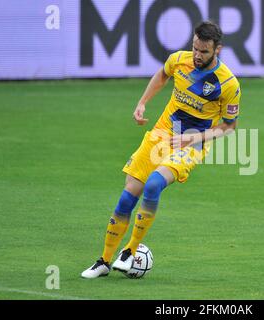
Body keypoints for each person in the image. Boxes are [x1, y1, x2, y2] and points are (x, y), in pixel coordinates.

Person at [81, 21, 241, 278]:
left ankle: (130, 252)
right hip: (162, 133)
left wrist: (194, 139)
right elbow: (163, 74)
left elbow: (229, 126)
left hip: (193, 142)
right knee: (127, 195)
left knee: (154, 185)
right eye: (195, 48)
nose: (197, 55)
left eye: (204, 51)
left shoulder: (229, 84)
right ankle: (104, 261)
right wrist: (142, 103)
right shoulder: (179, 60)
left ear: (217, 50)